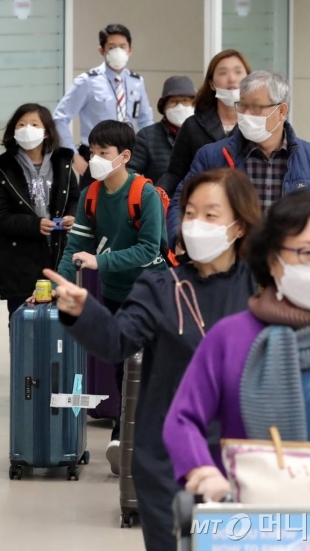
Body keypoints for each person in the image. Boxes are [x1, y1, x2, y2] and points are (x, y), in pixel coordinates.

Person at [43, 168, 261, 551]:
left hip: (244, 455)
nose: (196, 224)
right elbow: (117, 342)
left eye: (211, 215)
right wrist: (83, 312)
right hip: (166, 457)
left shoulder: (262, 289)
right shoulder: (162, 285)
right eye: (190, 213)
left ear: (240, 226)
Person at [163, 190, 310, 504]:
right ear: (273, 261)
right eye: (308, 253)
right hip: (245, 521)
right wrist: (204, 475)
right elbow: (183, 420)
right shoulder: (230, 338)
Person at [52, 119, 168, 474]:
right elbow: (76, 246)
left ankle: (143, 438)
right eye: (92, 151)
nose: (96, 158)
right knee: (122, 367)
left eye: (104, 152)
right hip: (118, 294)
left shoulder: (143, 194)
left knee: (153, 368)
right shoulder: (91, 195)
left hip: (152, 293)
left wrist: (100, 261)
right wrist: (61, 285)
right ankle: (124, 435)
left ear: (125, 156)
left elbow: (150, 250)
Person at [167, 70, 310, 249]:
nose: (246, 114)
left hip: (291, 266)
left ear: (281, 111)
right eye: (242, 106)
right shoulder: (212, 156)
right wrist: (180, 239)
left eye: (256, 107)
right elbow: (181, 202)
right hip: (229, 264)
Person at [0, 103, 79, 321]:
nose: (27, 128)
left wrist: (72, 216)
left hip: (56, 254)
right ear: (13, 130)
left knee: (59, 324)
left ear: (46, 132)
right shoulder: (4, 167)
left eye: (34, 124)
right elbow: (2, 216)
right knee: (22, 321)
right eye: (21, 124)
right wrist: (34, 225)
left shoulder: (62, 163)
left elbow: (74, 198)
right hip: (20, 262)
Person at [53, 23, 153, 189]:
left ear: (130, 49)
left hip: (129, 154)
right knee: (93, 204)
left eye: (122, 46)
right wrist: (72, 154)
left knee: (128, 202)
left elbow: (145, 120)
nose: (118, 51)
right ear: (102, 50)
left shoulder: (137, 82)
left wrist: (147, 153)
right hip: (97, 154)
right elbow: (60, 118)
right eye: (112, 47)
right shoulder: (87, 81)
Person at [157, 49, 251, 197]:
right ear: (212, 84)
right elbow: (176, 173)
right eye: (223, 72)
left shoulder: (258, 124)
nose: (232, 79)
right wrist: (158, 193)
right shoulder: (193, 125)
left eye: (238, 72)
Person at [128, 76, 196, 183]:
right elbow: (129, 172)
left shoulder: (203, 133)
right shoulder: (147, 136)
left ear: (195, 104)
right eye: (173, 101)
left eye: (185, 100)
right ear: (164, 107)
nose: (180, 106)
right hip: (160, 197)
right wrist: (148, 191)